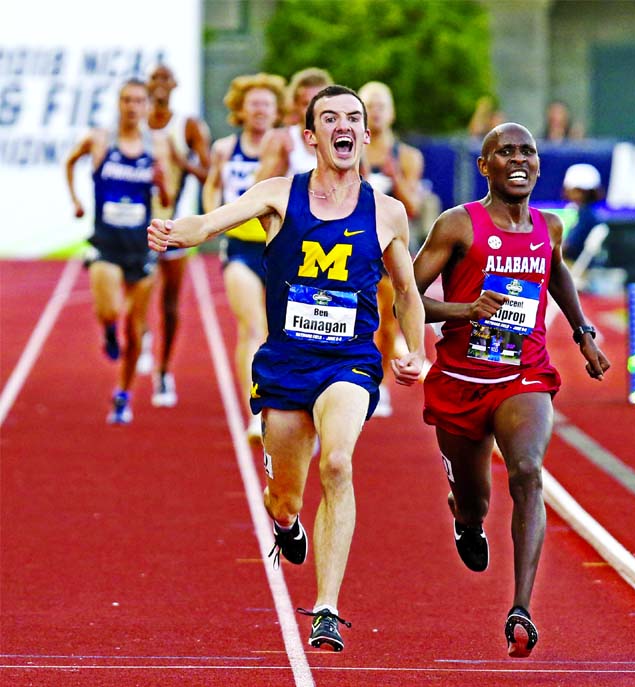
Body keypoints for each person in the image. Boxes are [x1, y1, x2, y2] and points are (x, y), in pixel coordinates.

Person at [148, 85, 426, 651]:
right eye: (330, 118)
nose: (343, 126)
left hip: (349, 362)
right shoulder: (280, 193)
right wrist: (184, 230)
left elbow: (406, 290)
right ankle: (285, 525)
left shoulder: (387, 211)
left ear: (365, 136)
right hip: (285, 364)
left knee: (341, 462)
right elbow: (214, 222)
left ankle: (326, 606)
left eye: (353, 118)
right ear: (311, 137)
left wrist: (414, 351)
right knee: (286, 498)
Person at [412, 122, 610, 658]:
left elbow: (556, 273)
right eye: (506, 152)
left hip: (524, 373)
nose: (518, 159)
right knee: (475, 501)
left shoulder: (549, 226)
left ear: (539, 164)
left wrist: (583, 333)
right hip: (460, 379)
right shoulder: (458, 225)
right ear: (486, 166)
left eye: (528, 151)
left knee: (526, 470)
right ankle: (466, 517)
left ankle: (521, 606)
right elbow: (406, 298)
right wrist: (462, 310)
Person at [65, 78, 172, 424]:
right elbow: (70, 162)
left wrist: (160, 182)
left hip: (140, 248)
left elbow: (167, 197)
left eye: (138, 101)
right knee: (110, 310)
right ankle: (107, 330)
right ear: (119, 103)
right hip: (106, 244)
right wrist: (77, 201)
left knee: (136, 327)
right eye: (126, 99)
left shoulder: (156, 145)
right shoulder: (99, 140)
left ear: (146, 107)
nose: (131, 106)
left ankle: (123, 395)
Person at [202, 73, 287, 440]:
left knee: (279, 334)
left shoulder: (286, 147)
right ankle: (254, 413)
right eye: (253, 103)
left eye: (267, 104)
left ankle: (287, 409)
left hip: (280, 248)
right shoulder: (225, 148)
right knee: (252, 329)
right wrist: (212, 222)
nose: (260, 111)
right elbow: (211, 187)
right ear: (241, 108)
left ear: (276, 110)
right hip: (240, 247)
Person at [144, 64, 212, 407]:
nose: (159, 84)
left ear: (174, 85)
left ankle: (163, 372)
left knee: (169, 303)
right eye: (153, 78)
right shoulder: (134, 124)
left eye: (164, 78)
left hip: (172, 225)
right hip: (136, 226)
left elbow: (209, 174)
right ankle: (139, 335)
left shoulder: (187, 126)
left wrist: (179, 162)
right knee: (133, 293)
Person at [359, 80, 425, 417]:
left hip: (389, 248)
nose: (376, 111)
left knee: (385, 322)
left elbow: (413, 206)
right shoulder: (346, 149)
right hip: (352, 243)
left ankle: (379, 382)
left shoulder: (407, 156)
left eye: (382, 105)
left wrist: (394, 175)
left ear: (392, 111)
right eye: (370, 104)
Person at [252, 67, 333, 181]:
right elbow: (258, 191)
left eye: (319, 102)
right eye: (306, 104)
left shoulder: (346, 140)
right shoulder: (281, 141)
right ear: (295, 105)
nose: (314, 110)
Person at [560, 162, 604, 263]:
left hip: (577, 270)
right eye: (576, 191)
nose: (579, 195)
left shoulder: (586, 216)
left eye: (583, 192)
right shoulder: (573, 212)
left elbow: (568, 247)